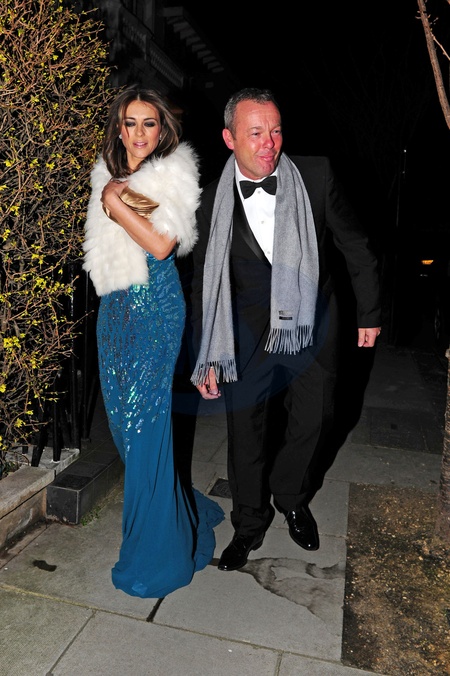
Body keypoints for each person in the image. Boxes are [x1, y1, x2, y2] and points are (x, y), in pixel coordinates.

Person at [190, 87, 381, 572]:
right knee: (245, 436)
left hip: (312, 324)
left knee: (315, 420)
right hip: (245, 336)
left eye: (275, 131)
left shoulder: (316, 175)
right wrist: (206, 354)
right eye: (256, 133)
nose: (269, 143)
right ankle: (248, 525)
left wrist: (369, 313)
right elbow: (204, 280)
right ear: (230, 138)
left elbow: (356, 246)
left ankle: (292, 496)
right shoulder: (210, 200)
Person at [83, 85, 224, 598]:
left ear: (162, 129)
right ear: (118, 130)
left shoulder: (174, 173)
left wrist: (114, 202)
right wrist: (109, 193)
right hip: (115, 311)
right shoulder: (106, 174)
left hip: (156, 312)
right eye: (130, 123)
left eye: (149, 123)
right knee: (124, 428)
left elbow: (163, 244)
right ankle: (181, 507)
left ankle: (156, 556)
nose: (140, 133)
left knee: (145, 431)